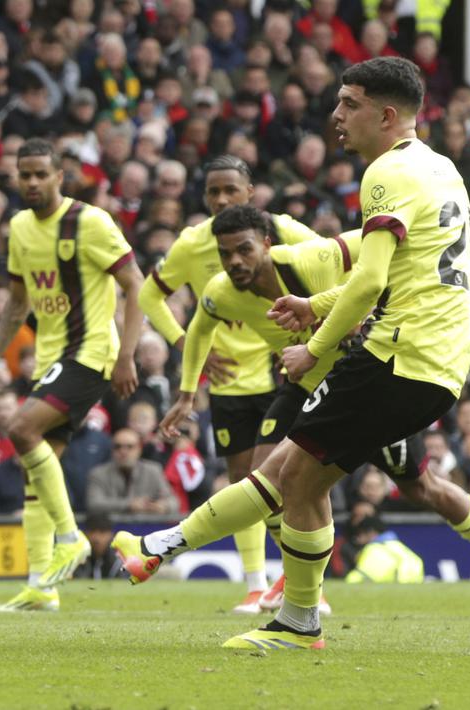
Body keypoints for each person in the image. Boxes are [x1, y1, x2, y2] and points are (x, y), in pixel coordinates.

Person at [116, 58, 470, 650]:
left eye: (350, 103)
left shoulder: (386, 174)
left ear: (387, 115)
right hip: (441, 358)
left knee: (293, 477)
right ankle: (171, 555)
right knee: (298, 478)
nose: (336, 115)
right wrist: (314, 304)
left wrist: (313, 348)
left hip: (398, 353)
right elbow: (404, 271)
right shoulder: (441, 167)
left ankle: (270, 606)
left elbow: (370, 280)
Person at [155, 204, 470, 617]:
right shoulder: (220, 292)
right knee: (268, 477)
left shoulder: (311, 259)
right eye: (225, 254)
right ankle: (300, 584)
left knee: (421, 488)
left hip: (361, 389)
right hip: (304, 386)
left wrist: (353, 313)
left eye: (244, 250)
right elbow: (198, 331)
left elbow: (378, 261)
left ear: (266, 244)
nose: (235, 262)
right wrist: (187, 394)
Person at [136, 153, 322, 613]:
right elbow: (149, 295)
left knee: (288, 478)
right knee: (247, 481)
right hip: (228, 381)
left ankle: (297, 581)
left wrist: (310, 332)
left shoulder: (284, 232)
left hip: (284, 372)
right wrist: (186, 347)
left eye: (230, 190)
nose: (221, 199)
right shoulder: (193, 244)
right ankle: (259, 584)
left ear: (250, 193)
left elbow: (334, 265)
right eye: (213, 192)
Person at [0, 138, 144, 613]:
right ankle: (40, 585)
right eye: (24, 175)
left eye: (40, 174)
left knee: (20, 429)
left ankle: (71, 539)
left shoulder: (90, 222)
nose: (31, 182)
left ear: (58, 177)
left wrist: (127, 354)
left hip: (91, 352)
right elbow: (17, 302)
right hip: (52, 356)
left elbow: (135, 284)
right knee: (36, 469)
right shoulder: (18, 228)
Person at [85, 428, 178, 516]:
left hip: (146, 526)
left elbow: (174, 502)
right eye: (117, 447)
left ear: (139, 449)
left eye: (130, 447)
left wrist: (164, 506)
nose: (123, 451)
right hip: (111, 527)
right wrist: (129, 505)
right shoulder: (98, 474)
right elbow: (94, 504)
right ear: (112, 450)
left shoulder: (153, 470)